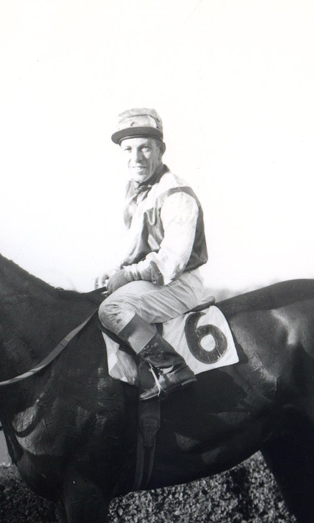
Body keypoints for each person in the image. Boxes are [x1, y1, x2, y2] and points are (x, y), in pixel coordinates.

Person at [96, 107, 209, 400]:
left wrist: (129, 274)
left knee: (112, 310)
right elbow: (133, 251)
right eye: (129, 149)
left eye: (145, 148)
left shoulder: (177, 192)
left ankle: (172, 369)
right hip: (156, 282)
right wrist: (114, 272)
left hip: (180, 283)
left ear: (160, 150)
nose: (137, 157)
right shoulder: (135, 192)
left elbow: (171, 262)